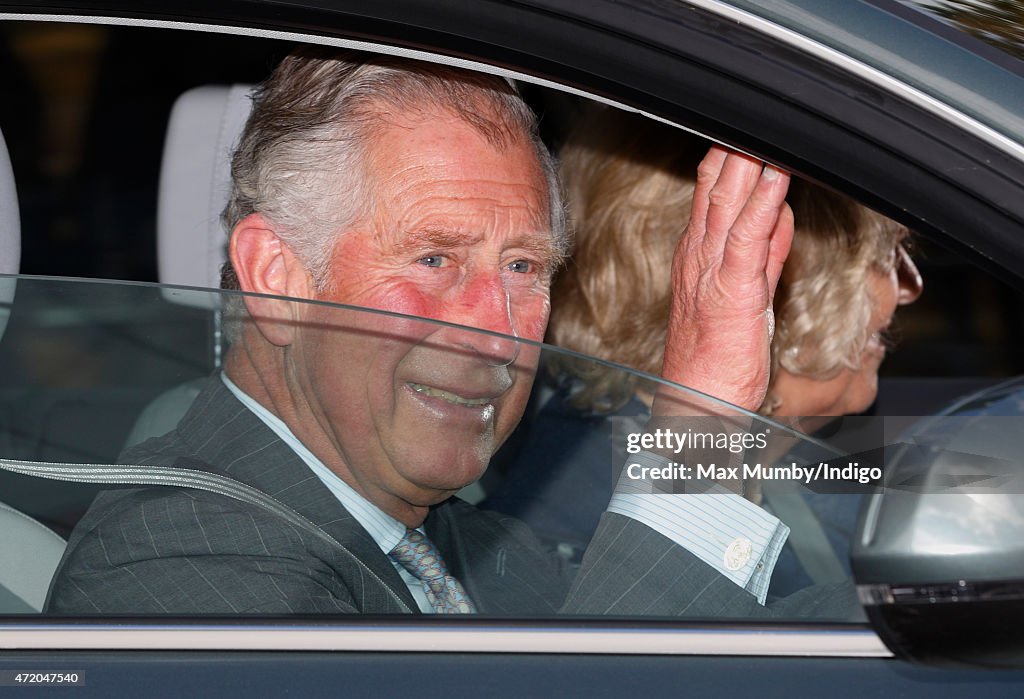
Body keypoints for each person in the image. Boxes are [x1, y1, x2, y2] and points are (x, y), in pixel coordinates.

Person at [48, 47, 850, 617]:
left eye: (525, 269)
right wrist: (700, 418)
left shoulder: (456, 535)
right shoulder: (181, 563)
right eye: (434, 258)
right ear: (278, 277)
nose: (497, 335)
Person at [483, 106, 923, 593]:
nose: (911, 286)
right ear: (770, 281)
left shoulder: (791, 463)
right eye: (883, 253)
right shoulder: (572, 534)